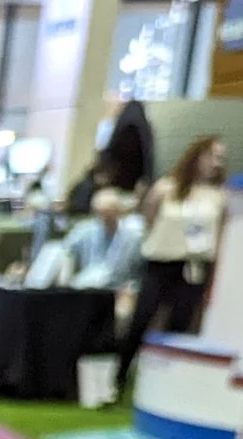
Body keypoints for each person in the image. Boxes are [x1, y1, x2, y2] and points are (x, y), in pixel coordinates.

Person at [115, 134, 229, 385]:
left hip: (195, 266)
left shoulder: (220, 196)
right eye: (212, 156)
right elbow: (149, 219)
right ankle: (119, 378)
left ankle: (163, 381)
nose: (216, 163)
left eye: (220, 158)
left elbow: (221, 233)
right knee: (141, 319)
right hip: (161, 263)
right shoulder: (167, 188)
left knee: (180, 323)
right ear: (196, 156)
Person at [26, 187, 144, 290]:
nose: (103, 218)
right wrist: (64, 280)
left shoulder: (131, 235)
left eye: (108, 213)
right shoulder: (86, 229)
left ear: (118, 212)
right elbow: (65, 249)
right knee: (55, 250)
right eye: (99, 213)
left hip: (118, 287)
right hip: (88, 285)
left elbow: (134, 269)